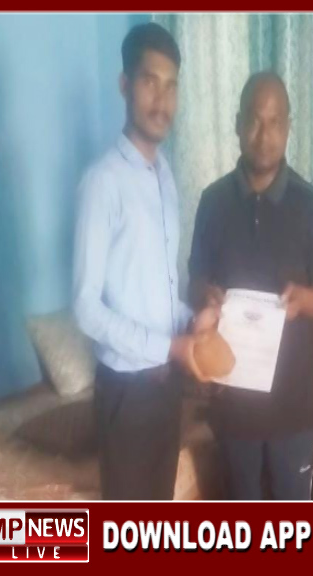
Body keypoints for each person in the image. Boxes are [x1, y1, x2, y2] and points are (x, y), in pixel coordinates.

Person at [73, 23, 217, 501]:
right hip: (126, 395)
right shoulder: (103, 182)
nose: (162, 100)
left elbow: (156, 290)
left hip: (166, 389)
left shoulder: (164, 177)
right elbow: (85, 308)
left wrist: (192, 320)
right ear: (125, 85)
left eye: (171, 85)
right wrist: (170, 346)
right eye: (150, 82)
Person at [188, 71, 313, 500]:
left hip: (293, 407)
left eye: (275, 122)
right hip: (233, 403)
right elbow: (193, 280)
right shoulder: (213, 202)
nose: (264, 134)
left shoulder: (311, 205)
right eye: (255, 121)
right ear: (238, 124)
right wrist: (206, 296)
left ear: (289, 127)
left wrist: (305, 300)